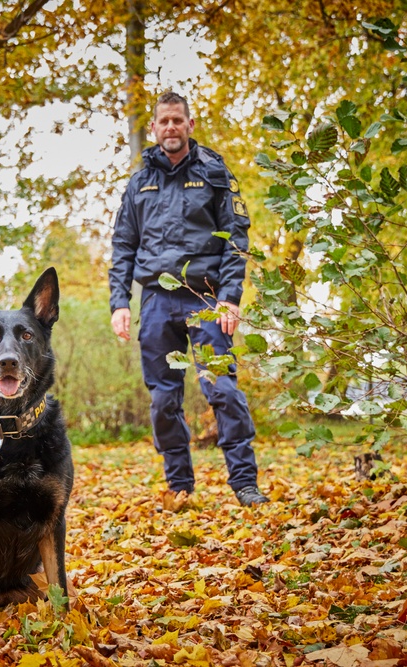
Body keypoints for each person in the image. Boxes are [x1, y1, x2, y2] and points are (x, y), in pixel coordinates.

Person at [108, 91, 268, 507]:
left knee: (223, 389)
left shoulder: (215, 172)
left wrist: (231, 298)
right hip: (157, 302)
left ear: (190, 125)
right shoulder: (140, 181)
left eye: (178, 120)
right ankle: (180, 487)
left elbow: (236, 238)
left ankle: (245, 484)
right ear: (156, 128)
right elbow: (123, 244)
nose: (171, 128)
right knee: (163, 399)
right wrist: (120, 302)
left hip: (207, 297)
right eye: (164, 122)